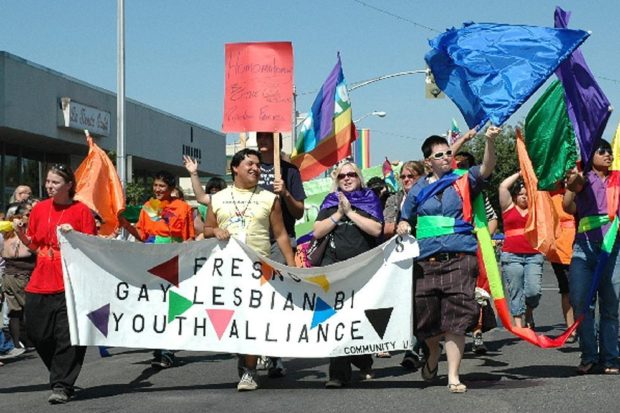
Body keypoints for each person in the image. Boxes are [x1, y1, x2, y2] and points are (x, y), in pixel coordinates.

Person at [397, 126, 499, 393]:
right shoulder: (418, 189)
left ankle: (453, 374)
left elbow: (487, 167)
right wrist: (404, 225)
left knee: (456, 318)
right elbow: (405, 217)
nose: (446, 157)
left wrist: (489, 141)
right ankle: (432, 353)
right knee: (427, 322)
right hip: (427, 262)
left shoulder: (464, 180)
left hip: (460, 258)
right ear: (428, 161)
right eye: (440, 154)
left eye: (448, 153)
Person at [203, 148, 295, 391]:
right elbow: (206, 229)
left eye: (257, 165)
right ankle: (245, 362)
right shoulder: (219, 198)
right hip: (227, 271)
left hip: (259, 271)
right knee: (233, 322)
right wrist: (216, 231)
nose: (255, 168)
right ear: (235, 168)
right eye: (249, 164)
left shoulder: (269, 198)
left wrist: (292, 266)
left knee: (253, 320)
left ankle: (250, 372)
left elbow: (281, 234)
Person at [11, 164, 96, 404]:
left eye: (55, 182)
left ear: (69, 185)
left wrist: (75, 236)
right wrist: (20, 233)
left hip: (70, 280)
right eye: (48, 181)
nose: (49, 186)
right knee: (38, 333)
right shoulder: (39, 209)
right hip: (41, 278)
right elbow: (35, 244)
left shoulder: (81, 211)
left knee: (67, 335)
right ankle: (61, 372)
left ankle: (62, 384)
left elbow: (92, 247)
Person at [313, 161, 384, 389]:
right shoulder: (331, 201)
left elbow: (376, 230)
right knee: (337, 320)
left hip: (363, 268)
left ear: (359, 177)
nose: (347, 178)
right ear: (337, 179)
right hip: (334, 267)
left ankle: (363, 360)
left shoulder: (369, 199)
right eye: (342, 175)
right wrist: (338, 214)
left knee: (359, 319)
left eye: (351, 174)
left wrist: (350, 212)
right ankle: (338, 374)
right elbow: (317, 232)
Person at [121, 170, 195, 368]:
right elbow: (142, 235)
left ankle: (168, 351)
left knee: (169, 304)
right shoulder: (148, 206)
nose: (157, 189)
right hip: (151, 260)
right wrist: (126, 225)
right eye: (155, 185)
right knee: (154, 304)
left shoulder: (183, 208)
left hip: (173, 261)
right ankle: (159, 347)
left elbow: (189, 238)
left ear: (171, 188)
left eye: (162, 186)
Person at [564, 139, 620, 375]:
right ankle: (588, 355)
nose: (608, 154)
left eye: (609, 150)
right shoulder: (582, 178)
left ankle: (611, 358)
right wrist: (573, 180)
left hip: (613, 249)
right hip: (584, 249)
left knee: (611, 305)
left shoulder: (617, 179)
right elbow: (568, 206)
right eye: (602, 151)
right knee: (581, 303)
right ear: (590, 156)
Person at [255, 131, 306, 377]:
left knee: (275, 298)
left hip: (279, 242)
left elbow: (298, 213)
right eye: (258, 136)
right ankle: (251, 355)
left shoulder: (289, 170)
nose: (261, 140)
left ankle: (274, 355)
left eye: (267, 137)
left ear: (276, 142)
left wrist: (285, 192)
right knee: (253, 299)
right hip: (252, 241)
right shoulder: (249, 167)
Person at [454, 151, 499, 355]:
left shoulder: (479, 195)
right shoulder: (446, 190)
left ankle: (478, 333)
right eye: (457, 164)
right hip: (453, 248)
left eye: (464, 165)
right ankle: (455, 336)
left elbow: (492, 218)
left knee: (478, 292)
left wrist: (483, 237)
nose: (459, 168)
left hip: (475, 247)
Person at [381, 160, 425, 364]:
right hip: (399, 258)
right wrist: (399, 224)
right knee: (403, 302)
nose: (407, 180)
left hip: (425, 254)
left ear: (421, 177)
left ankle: (415, 348)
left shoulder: (428, 196)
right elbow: (387, 228)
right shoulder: (394, 198)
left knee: (420, 302)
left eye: (412, 176)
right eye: (404, 176)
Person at [498, 172, 543, 329]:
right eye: (520, 194)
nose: (524, 197)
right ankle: (518, 324)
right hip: (511, 256)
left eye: (527, 194)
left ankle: (529, 312)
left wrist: (532, 177)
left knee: (533, 291)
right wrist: (520, 173)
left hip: (534, 256)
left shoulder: (537, 209)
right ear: (515, 196)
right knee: (515, 289)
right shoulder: (508, 207)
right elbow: (503, 186)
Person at [2, 201, 36, 352]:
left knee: (14, 311)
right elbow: (31, 251)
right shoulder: (20, 232)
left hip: (8, 276)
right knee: (28, 308)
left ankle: (17, 343)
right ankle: (29, 341)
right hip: (21, 276)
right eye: (28, 214)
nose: (30, 216)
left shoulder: (6, 234)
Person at [548, 184, 577, 343]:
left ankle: (586, 327)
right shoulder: (551, 194)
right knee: (567, 290)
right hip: (560, 250)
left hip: (583, 245)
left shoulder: (581, 193)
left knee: (584, 291)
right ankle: (570, 328)